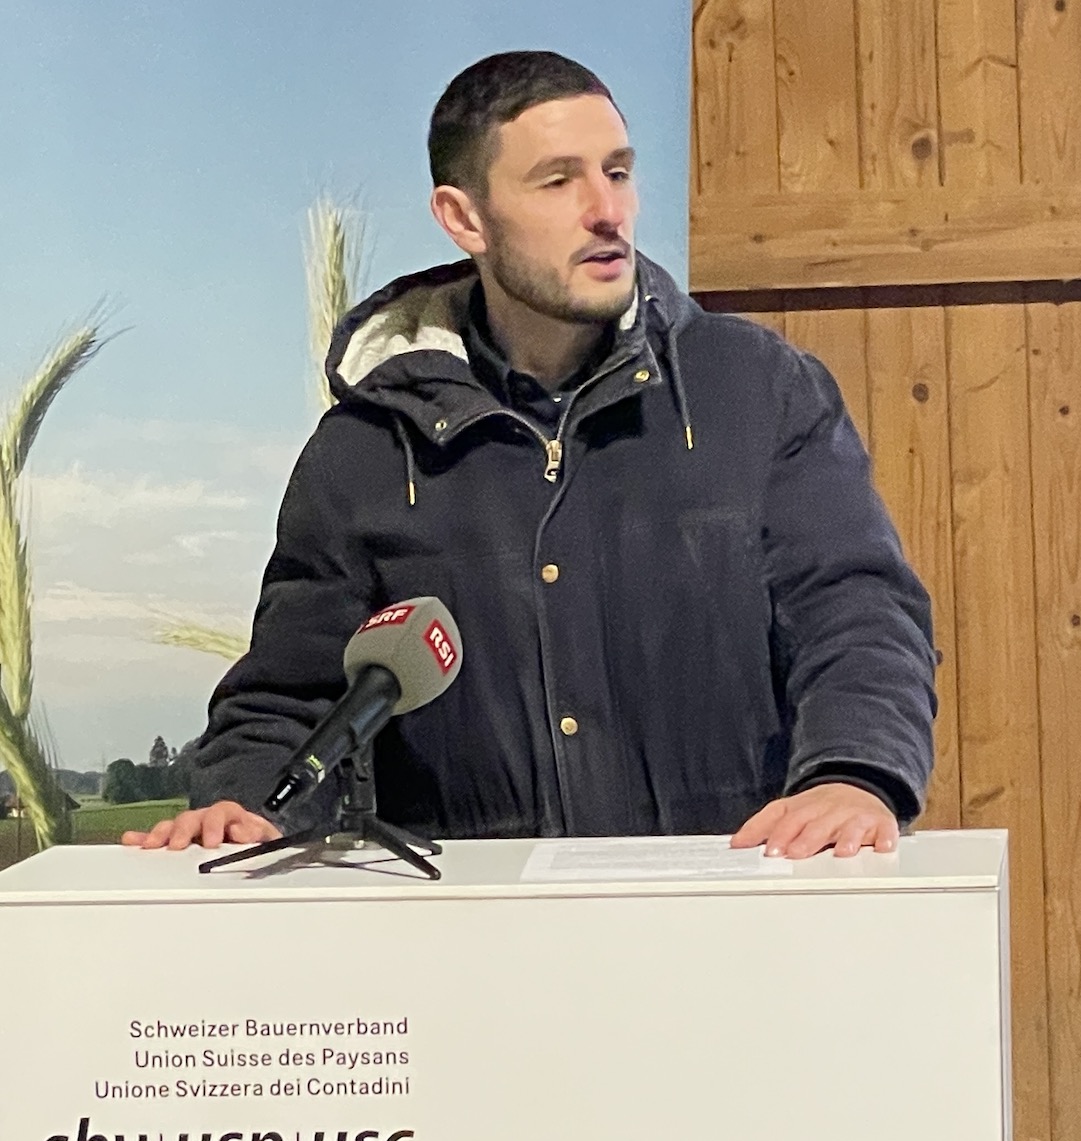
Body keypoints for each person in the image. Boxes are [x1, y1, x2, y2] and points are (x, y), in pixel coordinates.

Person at [124, 51, 936, 860]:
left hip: (735, 899)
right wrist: (244, 806)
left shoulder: (758, 389)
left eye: (618, 172)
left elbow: (858, 613)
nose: (607, 210)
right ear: (464, 218)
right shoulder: (366, 449)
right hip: (470, 928)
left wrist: (852, 774)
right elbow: (291, 698)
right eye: (558, 181)